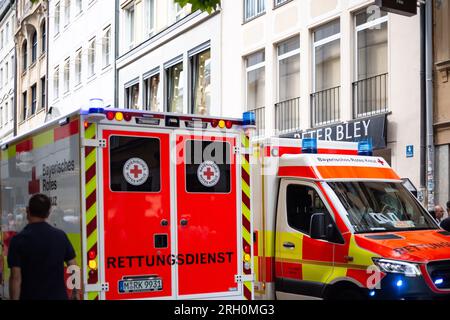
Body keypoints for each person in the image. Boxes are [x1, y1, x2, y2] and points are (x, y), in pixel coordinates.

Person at [7, 194, 79, 300]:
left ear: (28, 210)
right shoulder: (60, 236)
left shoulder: (18, 240)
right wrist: (76, 292)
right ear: (48, 213)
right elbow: (73, 267)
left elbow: (15, 278)